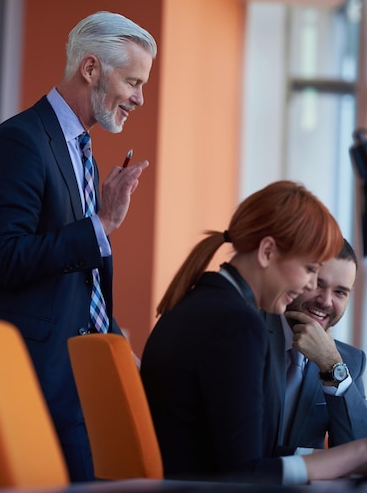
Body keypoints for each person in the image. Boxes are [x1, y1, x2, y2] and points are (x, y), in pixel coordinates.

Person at [0, 11, 157, 482]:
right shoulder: (18, 143)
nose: (139, 98)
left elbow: (75, 279)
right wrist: (102, 223)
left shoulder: (78, 149)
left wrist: (113, 339)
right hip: (31, 384)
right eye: (132, 81)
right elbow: (3, 260)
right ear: (90, 69)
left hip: (77, 384)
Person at [140, 180, 367, 485]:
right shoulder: (237, 326)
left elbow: (248, 452)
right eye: (311, 270)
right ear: (268, 251)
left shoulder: (203, 303)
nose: (313, 288)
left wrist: (352, 455)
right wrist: (355, 455)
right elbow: (243, 472)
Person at [265, 239, 367, 451]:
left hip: (304, 484)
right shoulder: (251, 333)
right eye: (318, 284)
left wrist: (330, 365)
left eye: (340, 292)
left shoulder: (349, 361)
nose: (326, 301)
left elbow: (358, 450)